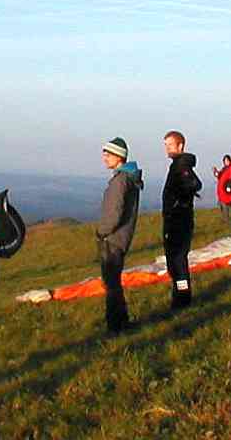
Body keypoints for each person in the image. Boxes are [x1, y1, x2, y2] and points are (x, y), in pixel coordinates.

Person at [97, 137, 144, 334]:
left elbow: (114, 213)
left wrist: (102, 232)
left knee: (111, 284)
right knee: (114, 282)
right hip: (120, 238)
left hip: (113, 239)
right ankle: (121, 322)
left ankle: (115, 326)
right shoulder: (126, 179)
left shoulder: (120, 181)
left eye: (108, 154)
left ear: (119, 157)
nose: (105, 158)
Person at [162, 130, 202, 310]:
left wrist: (180, 200)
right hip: (175, 219)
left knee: (178, 262)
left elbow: (194, 184)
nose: (167, 149)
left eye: (170, 145)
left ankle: (183, 298)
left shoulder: (181, 166)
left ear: (180, 146)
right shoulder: (177, 165)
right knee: (174, 262)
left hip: (179, 221)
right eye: (166, 145)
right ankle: (180, 295)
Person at [213, 154, 231, 222]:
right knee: (222, 204)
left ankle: (226, 218)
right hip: (221, 190)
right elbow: (219, 176)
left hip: (227, 189)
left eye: (227, 160)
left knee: (225, 204)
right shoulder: (224, 169)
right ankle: (225, 218)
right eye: (225, 161)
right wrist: (215, 171)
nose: (226, 162)